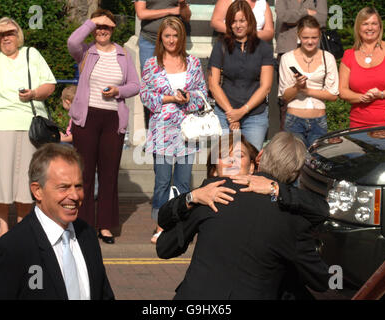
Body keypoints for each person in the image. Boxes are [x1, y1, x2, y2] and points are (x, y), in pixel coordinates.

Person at [156, 132, 330, 299]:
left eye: (239, 155)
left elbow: (164, 247)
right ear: (299, 173)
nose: (232, 161)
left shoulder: (212, 196)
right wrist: (192, 197)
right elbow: (322, 280)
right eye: (224, 155)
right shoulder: (294, 218)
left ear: (257, 160)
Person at [0, 143, 114, 300]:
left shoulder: (88, 235)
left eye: (78, 186)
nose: (74, 195)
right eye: (64, 187)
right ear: (37, 191)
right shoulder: (11, 249)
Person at [67, 8, 140, 244]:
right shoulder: (85, 51)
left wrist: (119, 90)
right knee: (85, 174)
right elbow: (72, 40)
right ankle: (84, 224)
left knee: (108, 175)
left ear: (113, 29)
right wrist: (92, 22)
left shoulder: (123, 55)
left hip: (112, 119)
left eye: (107, 26)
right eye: (99, 26)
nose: (102, 31)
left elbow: (135, 85)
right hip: (87, 119)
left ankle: (105, 226)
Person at [0, 17, 56, 240]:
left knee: (26, 179)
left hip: (27, 123)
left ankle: (22, 224)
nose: (7, 38)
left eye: (11, 33)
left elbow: (50, 85)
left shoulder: (31, 53)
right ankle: (3, 225)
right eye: (2, 34)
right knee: (0, 179)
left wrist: (33, 94)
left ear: (19, 35)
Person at [139, 16, 207, 244]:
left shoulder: (194, 63)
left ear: (181, 37)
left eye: (175, 35)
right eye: (167, 35)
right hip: (162, 131)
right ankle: (160, 225)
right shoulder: (151, 63)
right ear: (161, 37)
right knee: (162, 182)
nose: (171, 39)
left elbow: (202, 94)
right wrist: (169, 98)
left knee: (184, 182)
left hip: (187, 130)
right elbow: (145, 95)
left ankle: (181, 224)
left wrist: (188, 98)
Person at [208, 0, 274, 151]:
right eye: (233, 21)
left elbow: (266, 87)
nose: (238, 25)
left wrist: (242, 111)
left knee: (250, 162)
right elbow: (213, 84)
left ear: (250, 21)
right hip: (225, 113)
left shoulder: (263, 48)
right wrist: (231, 113)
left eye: (242, 21)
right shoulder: (221, 46)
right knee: (224, 162)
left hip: (254, 115)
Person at [278, 15, 339, 148]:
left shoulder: (328, 58)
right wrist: (297, 87)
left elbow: (333, 95)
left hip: (319, 120)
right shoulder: (287, 58)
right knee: (294, 163)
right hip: (294, 120)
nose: (310, 42)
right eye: (306, 37)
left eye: (314, 37)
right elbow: (285, 96)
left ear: (320, 36)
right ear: (299, 36)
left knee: (317, 162)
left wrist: (307, 90)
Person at [134, 0, 191, 130]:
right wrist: (170, 11)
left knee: (176, 84)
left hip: (175, 41)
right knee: (150, 88)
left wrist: (182, 5)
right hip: (150, 42)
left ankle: (176, 127)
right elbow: (141, 13)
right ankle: (152, 131)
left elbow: (186, 17)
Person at [275, 0, 328, 130]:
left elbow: (321, 20)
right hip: (287, 50)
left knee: (314, 93)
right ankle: (288, 143)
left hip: (313, 52)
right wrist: (306, 13)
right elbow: (283, 16)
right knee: (286, 100)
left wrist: (294, 16)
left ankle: (313, 136)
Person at [339, 7, 385, 128]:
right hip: (358, 125)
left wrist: (381, 94)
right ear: (358, 27)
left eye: (374, 23)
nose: (370, 28)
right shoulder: (349, 55)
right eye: (365, 24)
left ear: (380, 27)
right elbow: (342, 90)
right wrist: (361, 97)